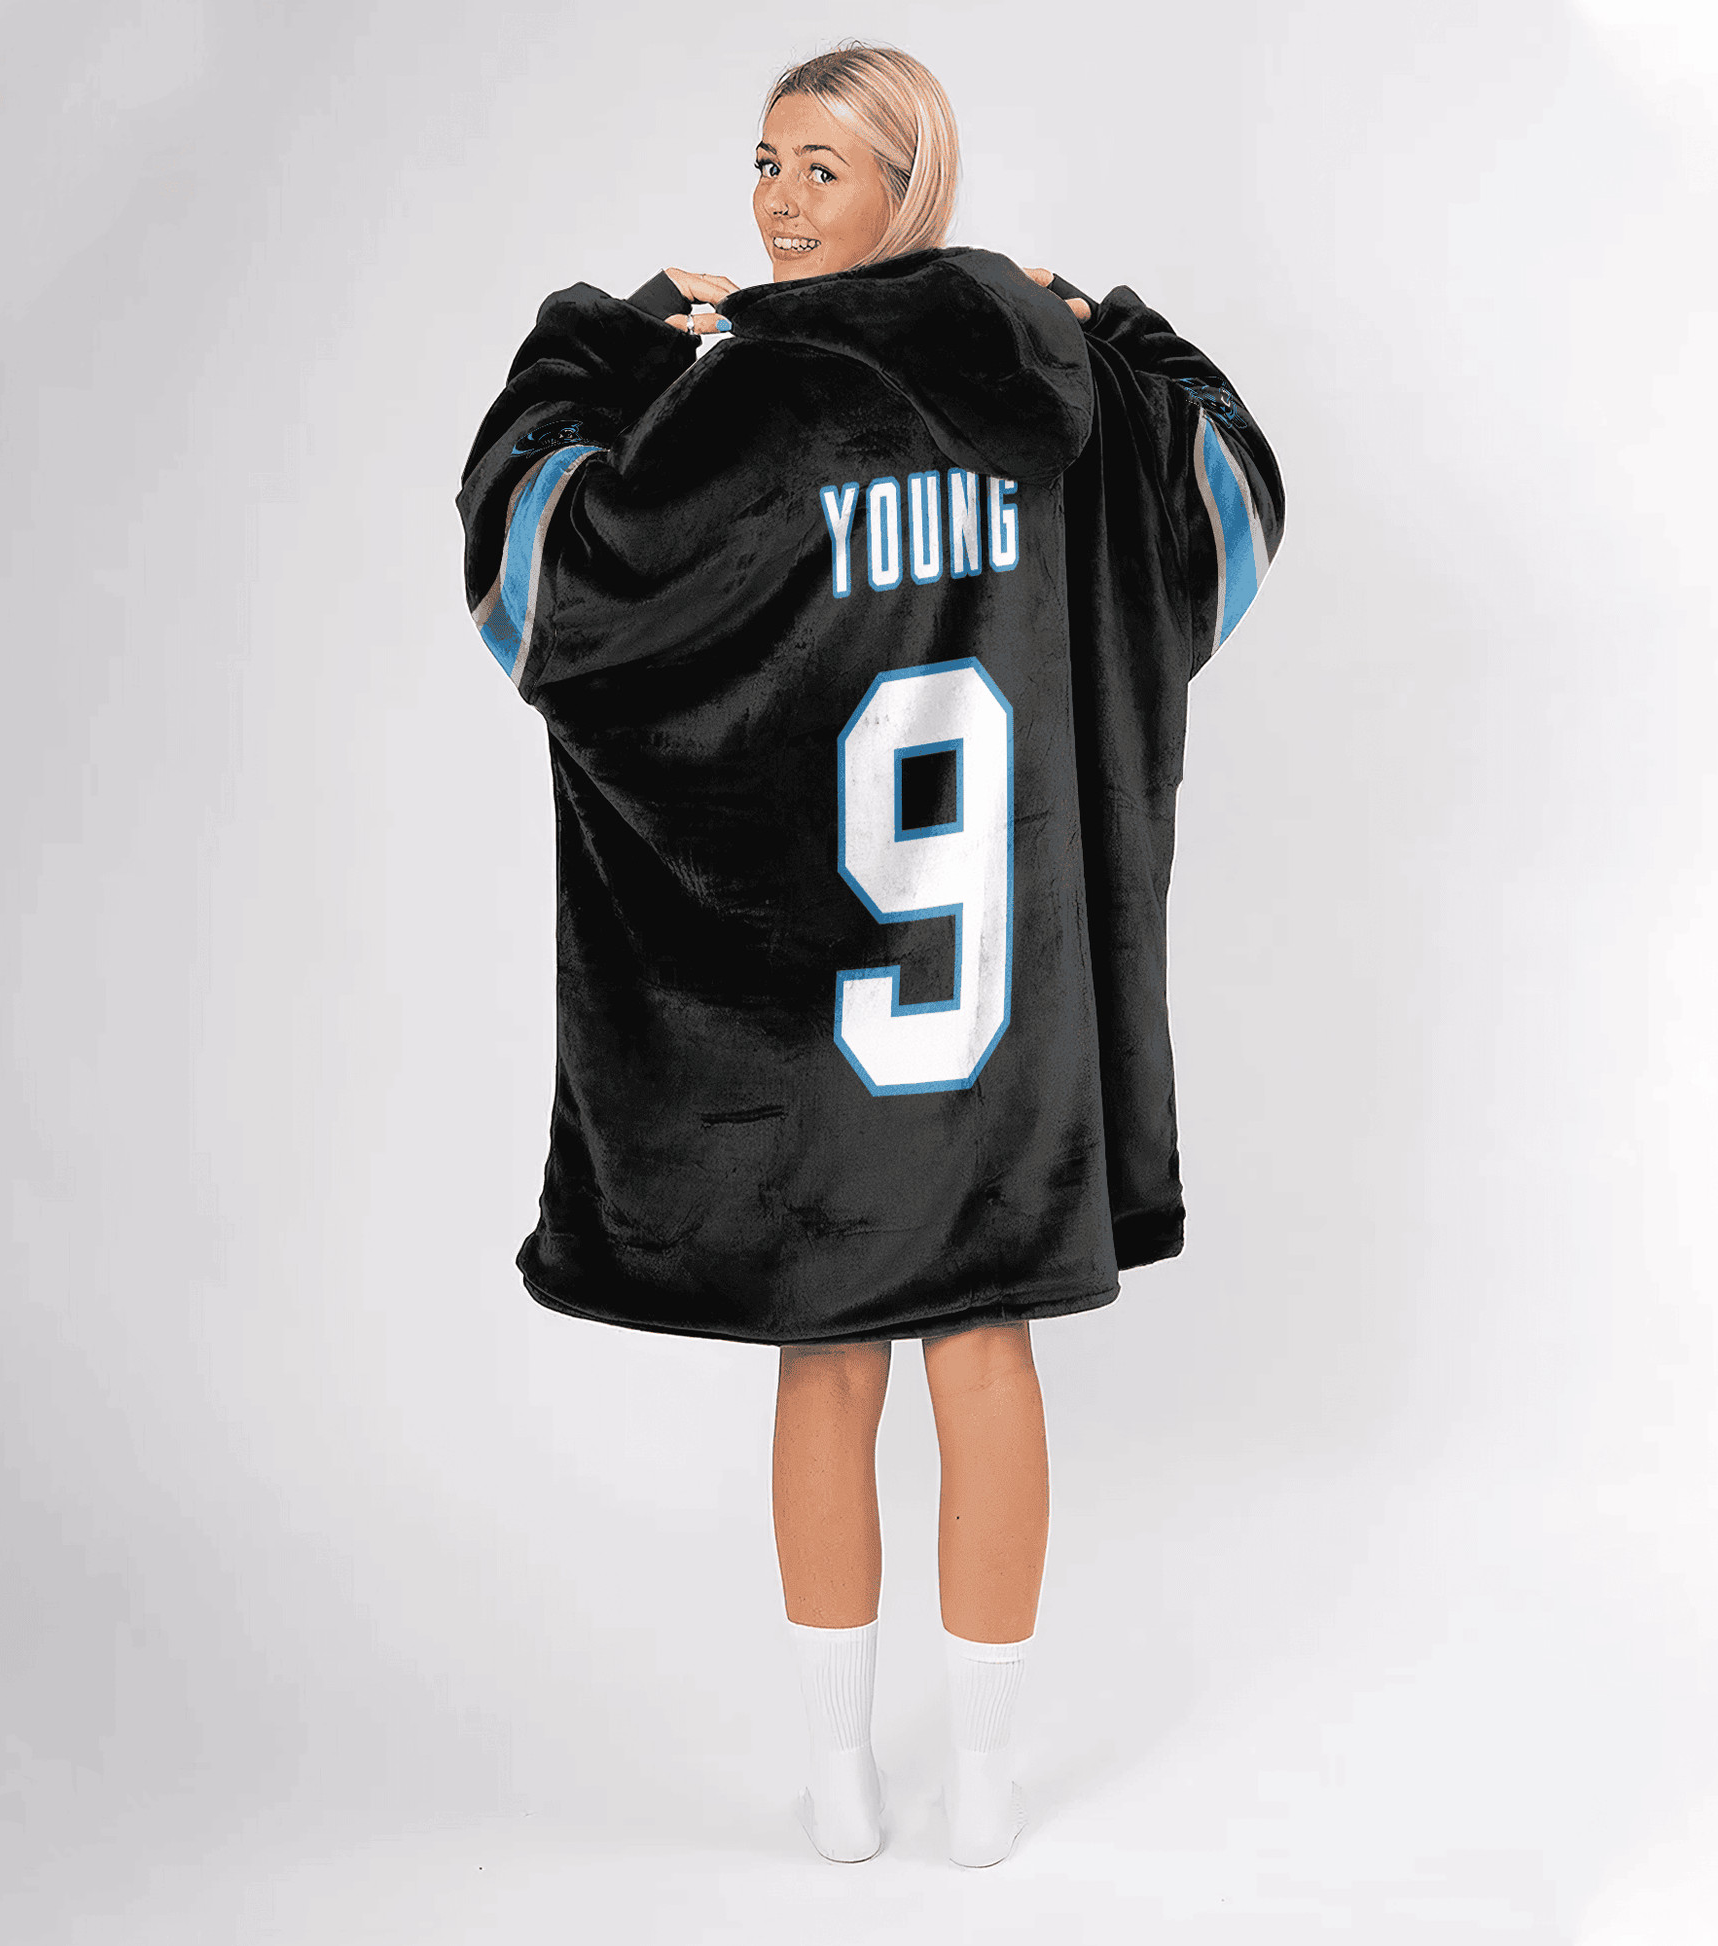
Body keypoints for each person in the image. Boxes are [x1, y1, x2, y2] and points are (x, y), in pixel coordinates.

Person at [454, 42, 1283, 1870]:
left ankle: (851, 1780)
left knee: (831, 1366)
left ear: (911, 183)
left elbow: (545, 582)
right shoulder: (1057, 381)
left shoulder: (743, 405)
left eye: (820, 168)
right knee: (980, 1356)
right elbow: (1225, 504)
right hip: (1004, 1030)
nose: (774, 203)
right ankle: (969, 1782)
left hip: (822, 1021)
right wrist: (1118, 324)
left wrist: (598, 344)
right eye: (764, 162)